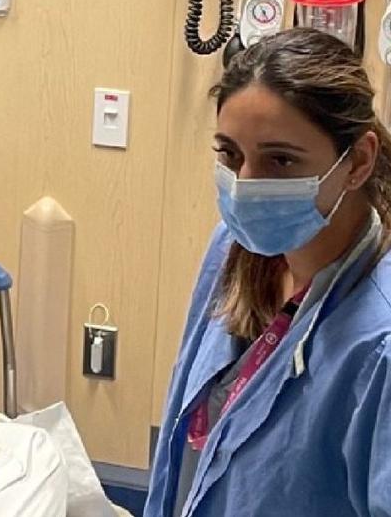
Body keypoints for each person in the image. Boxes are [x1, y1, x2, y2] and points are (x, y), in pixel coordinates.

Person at [146, 29, 391, 516]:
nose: (244, 187)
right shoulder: (233, 250)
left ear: (358, 162)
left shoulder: (377, 342)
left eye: (280, 160)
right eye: (230, 155)